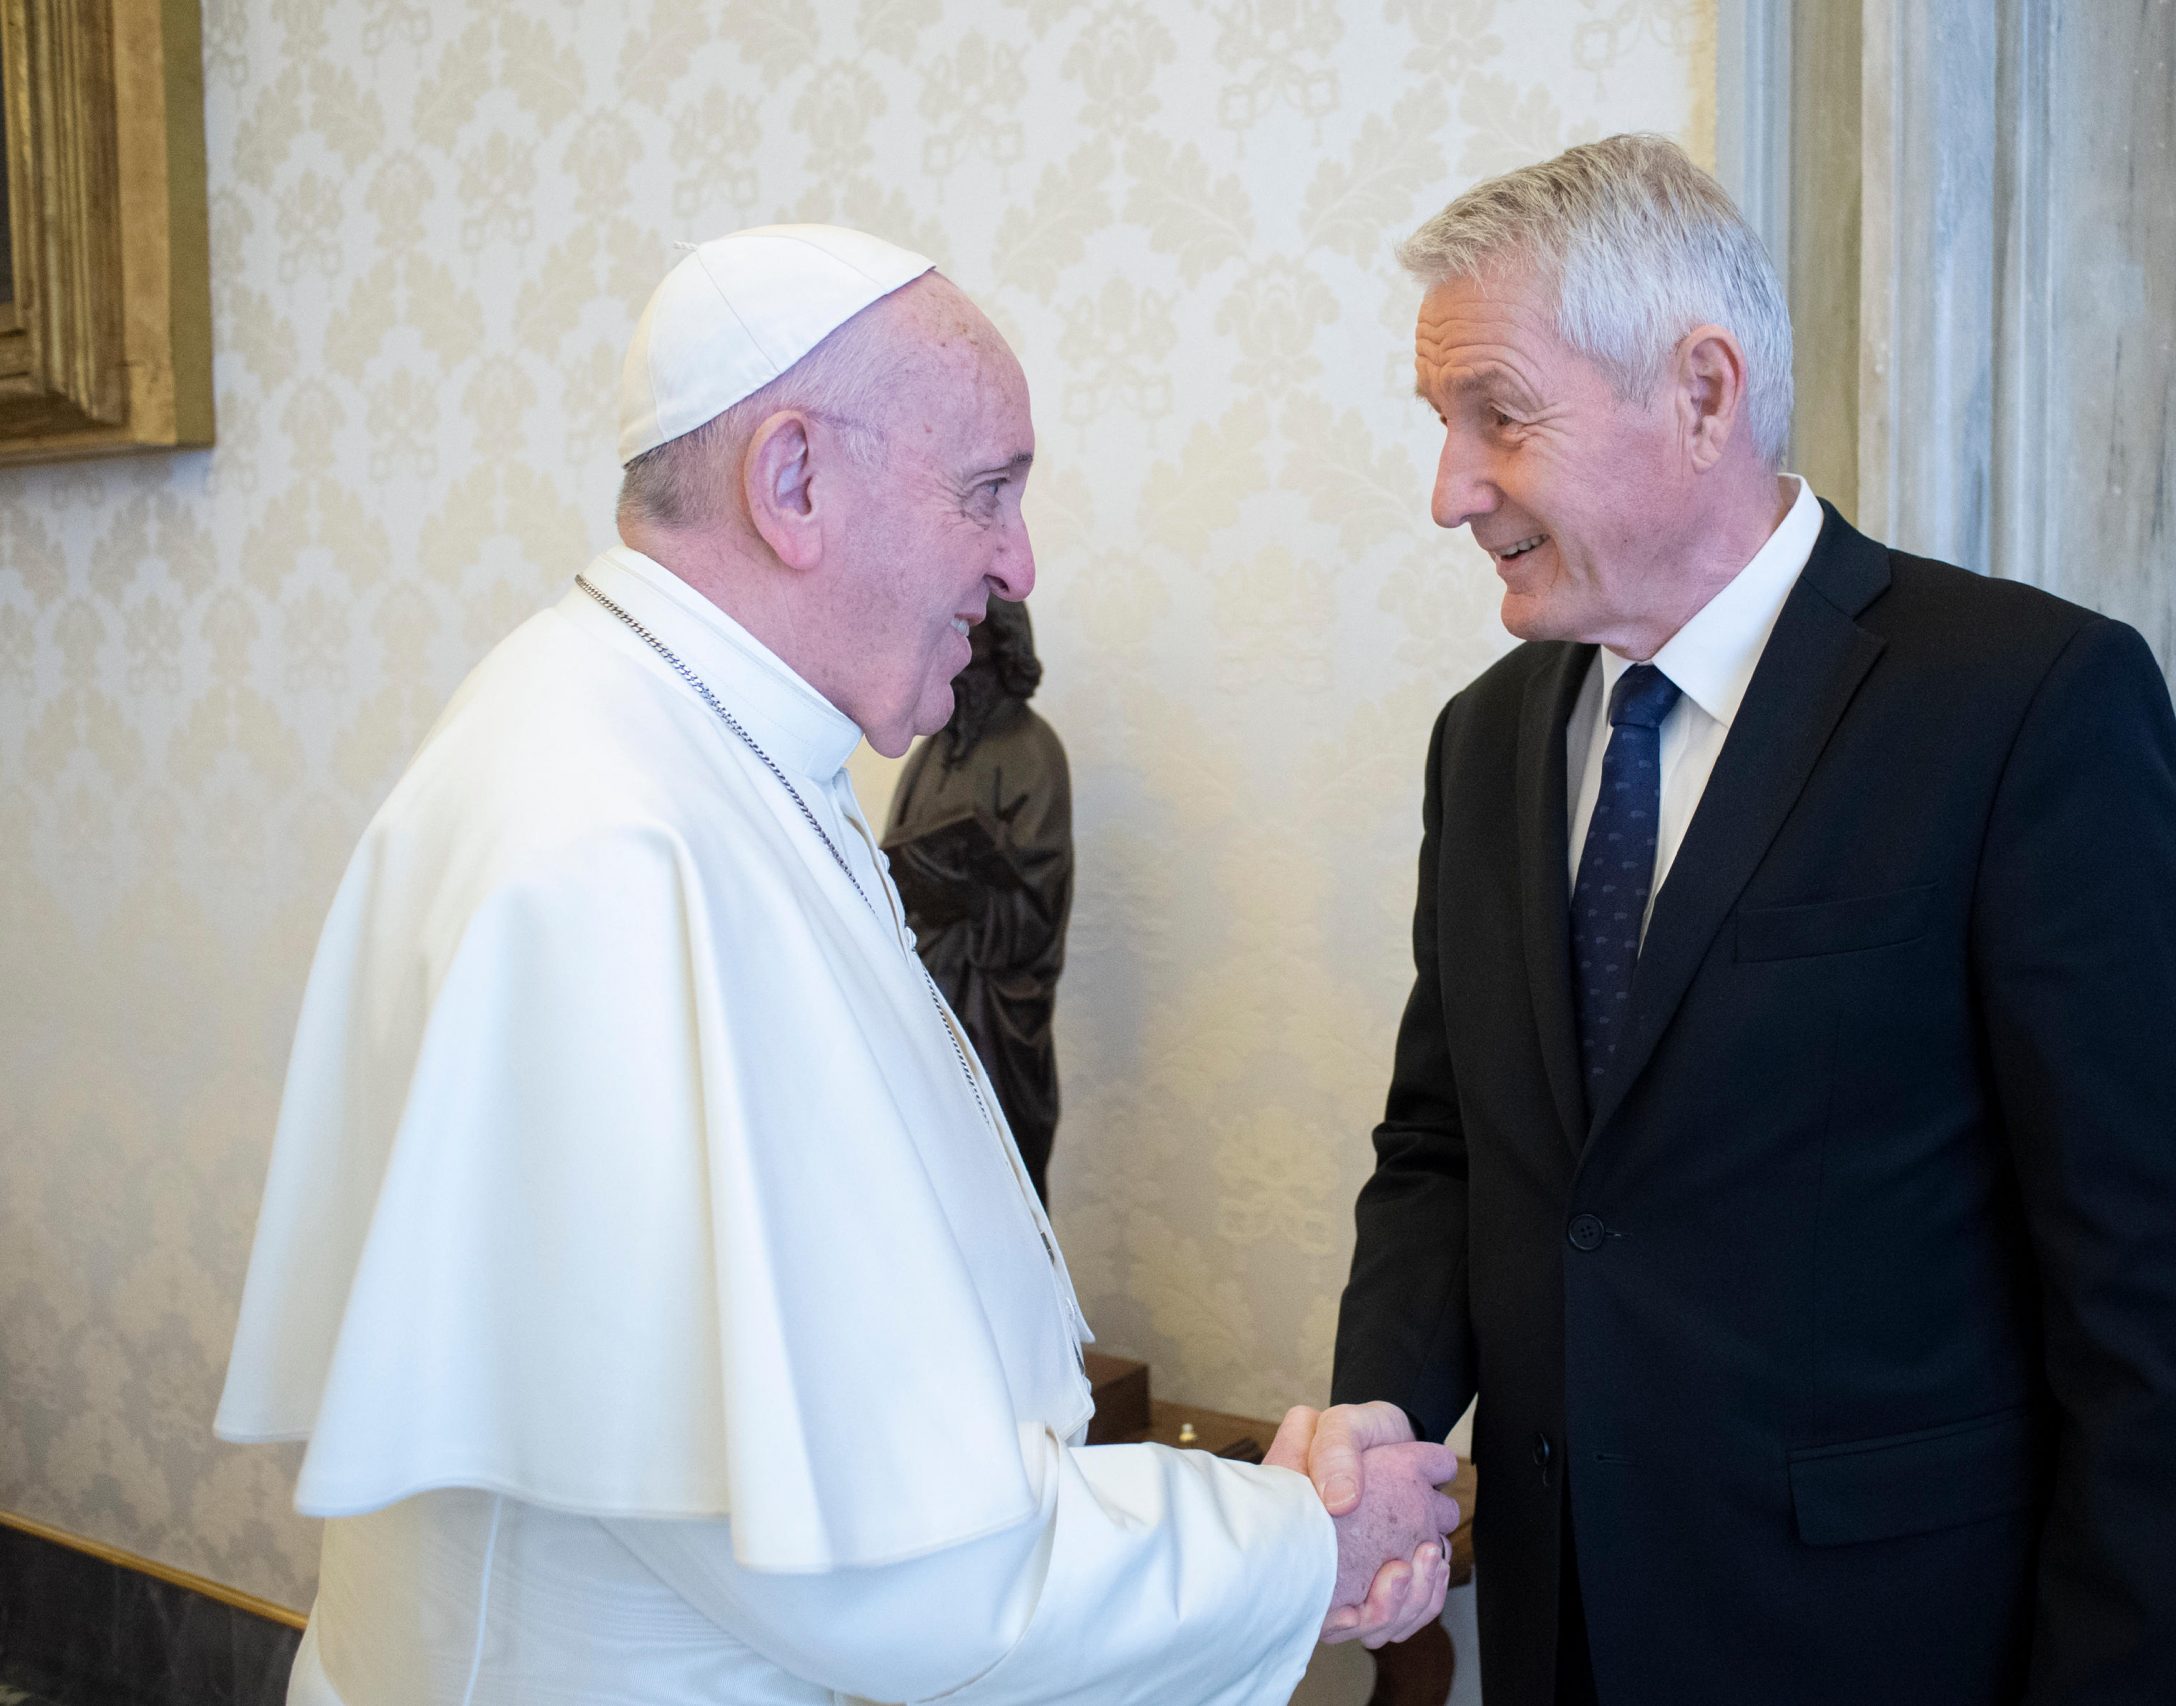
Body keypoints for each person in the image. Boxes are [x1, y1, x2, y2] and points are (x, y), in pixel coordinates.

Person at [213, 224, 1456, 1706]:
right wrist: (1294, 1545)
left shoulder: (680, 742)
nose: (1020, 559)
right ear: (792, 481)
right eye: (988, 489)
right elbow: (884, 1571)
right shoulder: (609, 840)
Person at [1283, 137, 2176, 1703]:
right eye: (1443, 427)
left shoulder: (2025, 707)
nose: (1450, 490)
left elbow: (2160, 1326)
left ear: (1702, 389)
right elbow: (1444, 1147)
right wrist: (1377, 1421)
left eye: (1499, 417)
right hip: (1558, 1633)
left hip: (1886, 1646)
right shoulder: (1484, 742)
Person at [884, 596, 1073, 1201]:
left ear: (1006, 660)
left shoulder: (1033, 752)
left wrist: (969, 892)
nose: (961, 680)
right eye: (950, 659)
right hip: (927, 995)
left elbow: (1038, 911)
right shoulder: (930, 756)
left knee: (999, 1183)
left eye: (975, 665)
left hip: (994, 1014)